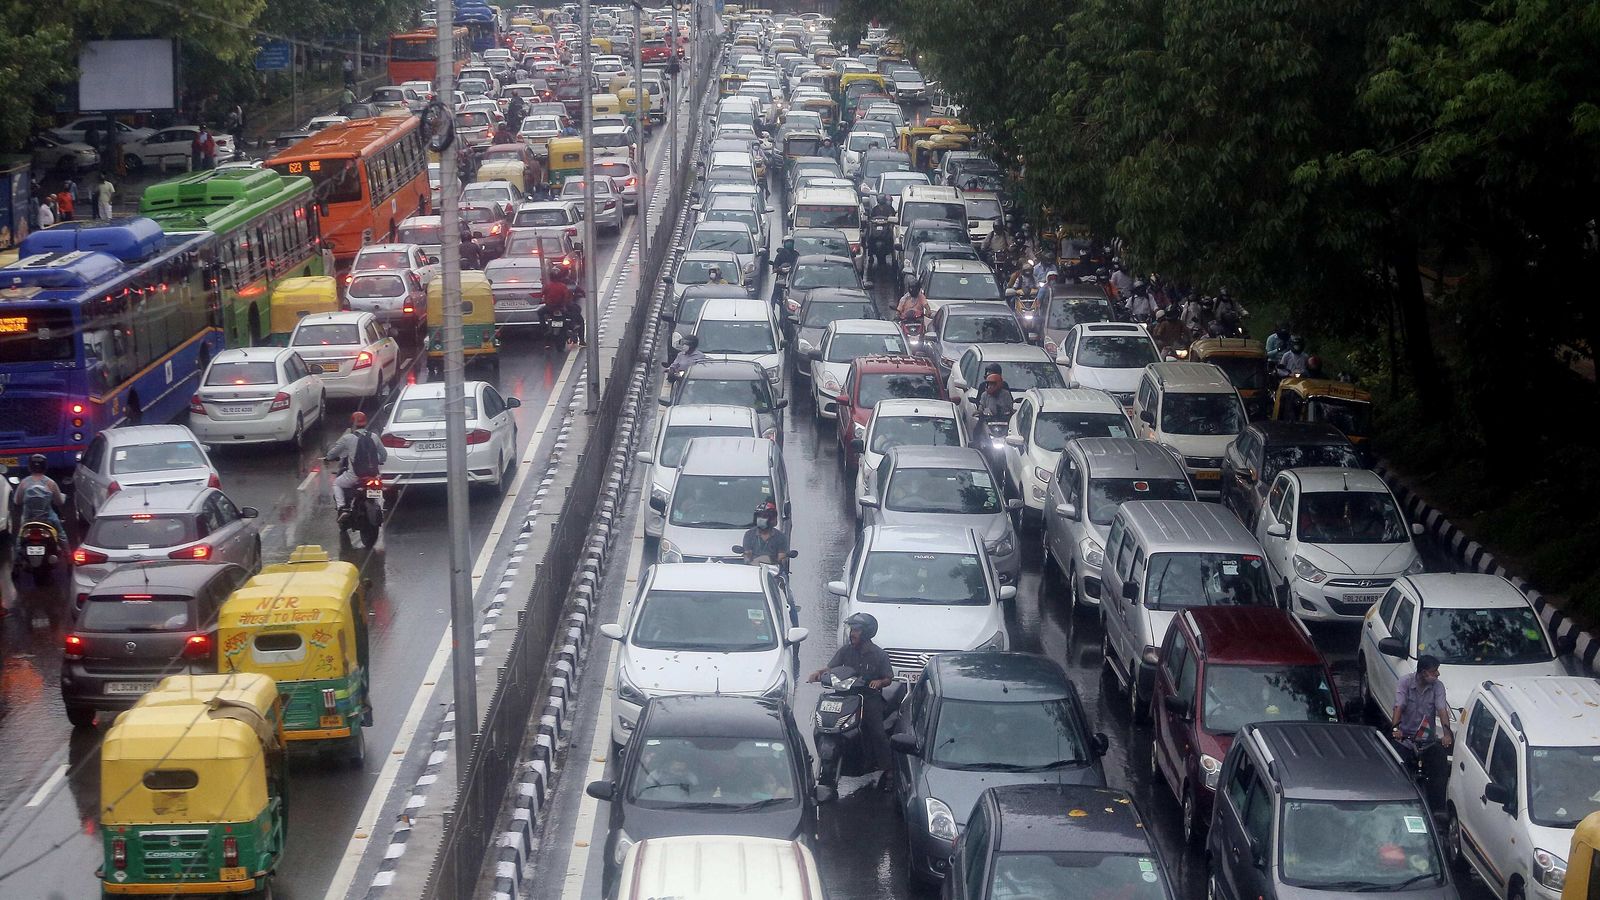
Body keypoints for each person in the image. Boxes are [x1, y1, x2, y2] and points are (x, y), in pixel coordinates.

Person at [808, 612, 895, 789]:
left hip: (868, 698)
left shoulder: (879, 655)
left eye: (856, 630)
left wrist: (879, 682)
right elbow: (830, 668)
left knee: (877, 732)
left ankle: (889, 771)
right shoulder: (845, 651)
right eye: (851, 630)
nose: (852, 634)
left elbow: (888, 678)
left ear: (867, 633)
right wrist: (819, 673)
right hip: (845, 697)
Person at [1391, 655, 1453, 813]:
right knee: (1396, 770)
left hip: (1427, 739)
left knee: (1440, 770)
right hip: (1406, 739)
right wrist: (1396, 729)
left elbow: (1441, 710)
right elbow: (1399, 705)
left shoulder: (1438, 687)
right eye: (1434, 671)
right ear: (1424, 673)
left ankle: (1438, 812)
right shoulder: (1405, 682)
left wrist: (1447, 734)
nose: (1437, 674)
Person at [324, 412, 386, 516]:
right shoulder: (374, 437)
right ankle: (379, 507)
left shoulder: (347, 438)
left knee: (337, 484)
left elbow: (332, 453)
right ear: (366, 424)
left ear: (353, 424)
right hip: (372, 475)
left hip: (354, 476)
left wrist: (328, 458)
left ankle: (342, 508)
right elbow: (383, 455)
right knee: (378, 487)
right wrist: (377, 460)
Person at [11, 455, 66, 542]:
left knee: (20, 538)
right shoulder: (50, 483)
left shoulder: (24, 483)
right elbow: (59, 502)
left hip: (28, 519)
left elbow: (17, 501)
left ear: (30, 467)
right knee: (61, 535)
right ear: (45, 467)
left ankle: (17, 555)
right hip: (48, 518)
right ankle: (67, 554)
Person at [741, 502, 790, 568]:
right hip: (753, 569)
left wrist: (766, 559)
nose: (761, 519)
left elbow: (781, 559)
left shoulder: (781, 537)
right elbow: (747, 556)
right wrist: (752, 562)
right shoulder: (749, 534)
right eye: (759, 516)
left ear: (773, 519)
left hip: (774, 572)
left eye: (764, 516)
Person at [974, 369, 1015, 443]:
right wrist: (979, 411)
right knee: (977, 430)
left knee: (1014, 430)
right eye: (988, 384)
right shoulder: (984, 395)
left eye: (992, 384)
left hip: (1003, 420)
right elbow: (981, 405)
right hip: (988, 419)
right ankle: (976, 444)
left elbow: (1010, 406)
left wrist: (1011, 411)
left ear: (998, 384)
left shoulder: (1005, 394)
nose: (990, 386)